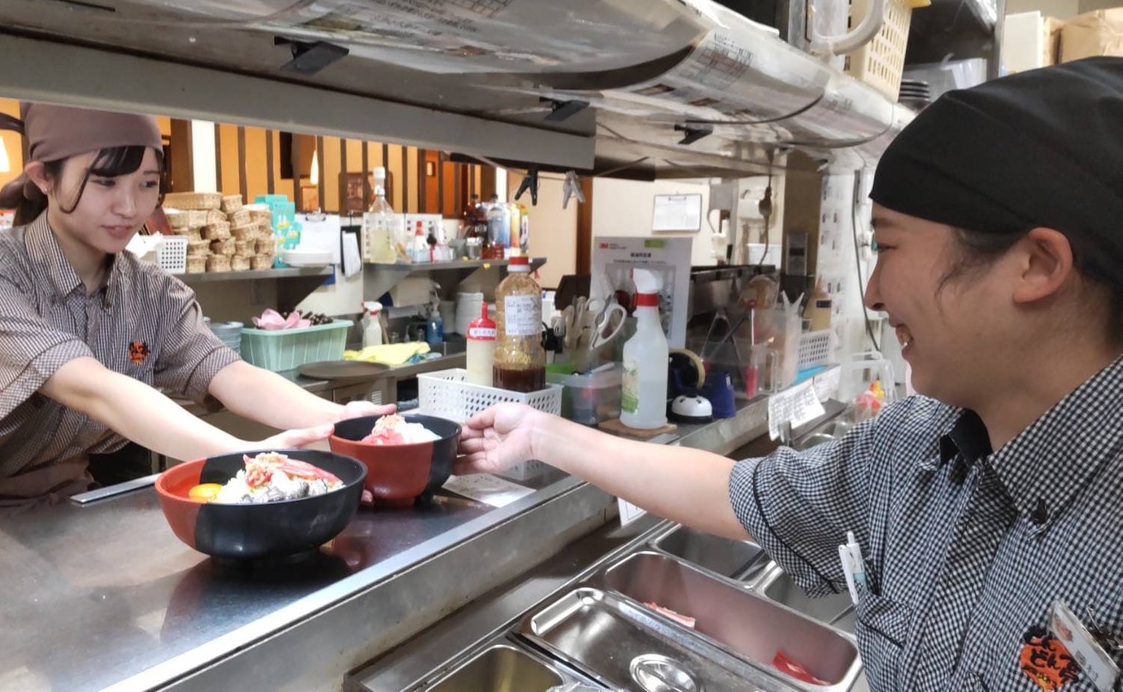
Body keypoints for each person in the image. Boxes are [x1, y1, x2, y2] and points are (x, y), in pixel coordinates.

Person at [456, 57, 1123, 690]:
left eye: (888, 247)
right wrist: (541, 434)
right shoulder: (919, 451)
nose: (875, 293)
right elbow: (738, 492)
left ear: (1036, 265)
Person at [0, 100, 389, 552]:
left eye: (147, 184)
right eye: (105, 182)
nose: (129, 206)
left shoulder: (151, 292)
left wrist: (344, 422)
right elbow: (97, 391)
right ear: (44, 177)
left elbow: (231, 374)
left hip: (65, 518)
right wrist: (253, 465)